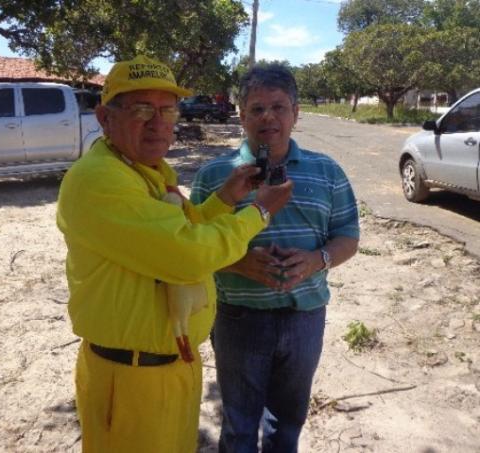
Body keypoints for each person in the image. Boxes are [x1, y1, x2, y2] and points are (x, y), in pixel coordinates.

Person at [56, 55, 293, 453]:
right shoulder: (100, 180)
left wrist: (224, 198)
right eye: (141, 109)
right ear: (104, 118)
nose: (158, 122)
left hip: (168, 367)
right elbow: (187, 254)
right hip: (130, 376)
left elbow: (181, 228)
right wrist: (260, 211)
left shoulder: (145, 170)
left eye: (167, 109)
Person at [190, 63, 360, 452]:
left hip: (305, 318)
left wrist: (317, 259)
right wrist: (238, 262)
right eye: (257, 108)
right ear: (241, 115)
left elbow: (348, 236)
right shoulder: (215, 175)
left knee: (288, 424)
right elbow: (193, 246)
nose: (268, 117)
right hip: (238, 318)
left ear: (295, 114)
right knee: (240, 424)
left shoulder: (327, 171)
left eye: (279, 107)